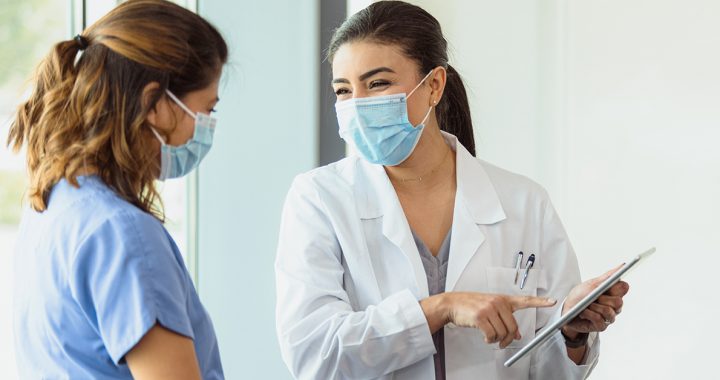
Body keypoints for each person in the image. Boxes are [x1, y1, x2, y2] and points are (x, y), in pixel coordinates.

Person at [274, 1, 629, 379]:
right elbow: (314, 353)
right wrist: (440, 308)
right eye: (343, 90)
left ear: (434, 86)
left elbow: (545, 371)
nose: (357, 106)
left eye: (378, 83)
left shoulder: (524, 202)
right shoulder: (319, 198)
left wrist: (571, 335)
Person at [7, 1, 227, 378]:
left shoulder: (53, 200)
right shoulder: (124, 234)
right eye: (207, 110)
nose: (206, 127)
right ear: (155, 104)